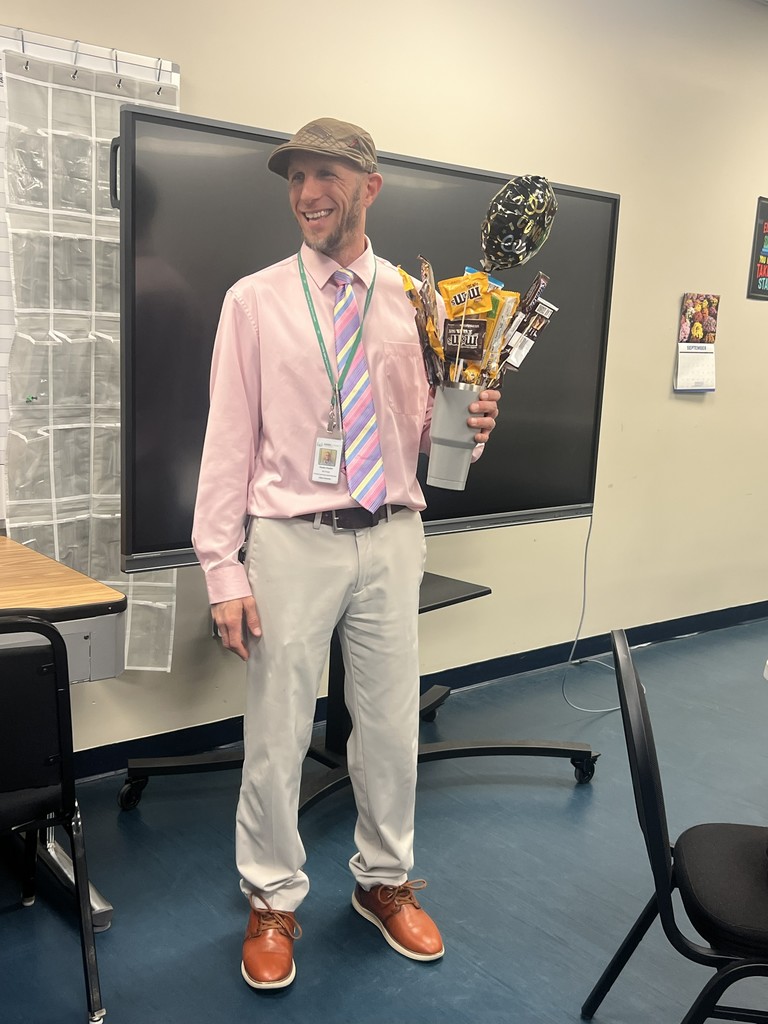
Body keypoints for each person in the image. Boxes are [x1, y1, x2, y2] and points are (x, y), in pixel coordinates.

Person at [192, 117, 501, 991]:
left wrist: (471, 429)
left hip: (394, 533)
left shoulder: (420, 300)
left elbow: (438, 436)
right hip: (292, 540)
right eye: (295, 178)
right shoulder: (255, 300)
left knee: (391, 727)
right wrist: (223, 567)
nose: (307, 193)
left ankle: (384, 880)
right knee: (277, 734)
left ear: (370, 186)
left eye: (326, 175)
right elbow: (226, 442)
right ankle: (272, 898)